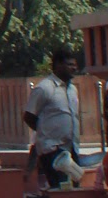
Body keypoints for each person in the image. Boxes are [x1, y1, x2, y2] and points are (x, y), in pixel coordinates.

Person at [24, 45, 81, 188]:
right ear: (58, 65)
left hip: (71, 147)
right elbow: (29, 116)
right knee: (60, 189)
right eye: (70, 65)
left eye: (74, 65)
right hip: (52, 149)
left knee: (74, 187)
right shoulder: (45, 88)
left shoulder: (72, 89)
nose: (74, 68)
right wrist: (46, 132)